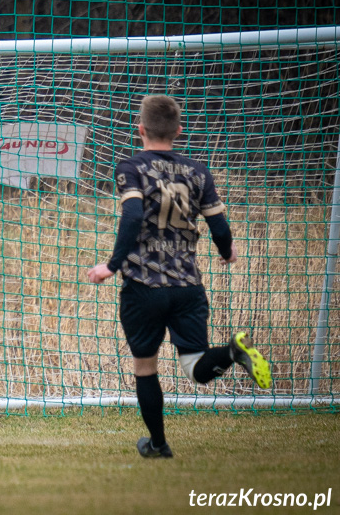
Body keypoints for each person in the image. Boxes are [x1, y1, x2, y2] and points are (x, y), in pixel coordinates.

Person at [86, 94, 271, 459]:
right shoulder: (198, 171)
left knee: (145, 366)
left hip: (144, 287)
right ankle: (233, 351)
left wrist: (111, 265)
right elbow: (218, 224)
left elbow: (134, 215)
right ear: (178, 131)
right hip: (188, 285)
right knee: (197, 369)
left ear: (139, 129)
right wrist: (226, 251)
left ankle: (158, 444)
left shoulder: (131, 167)